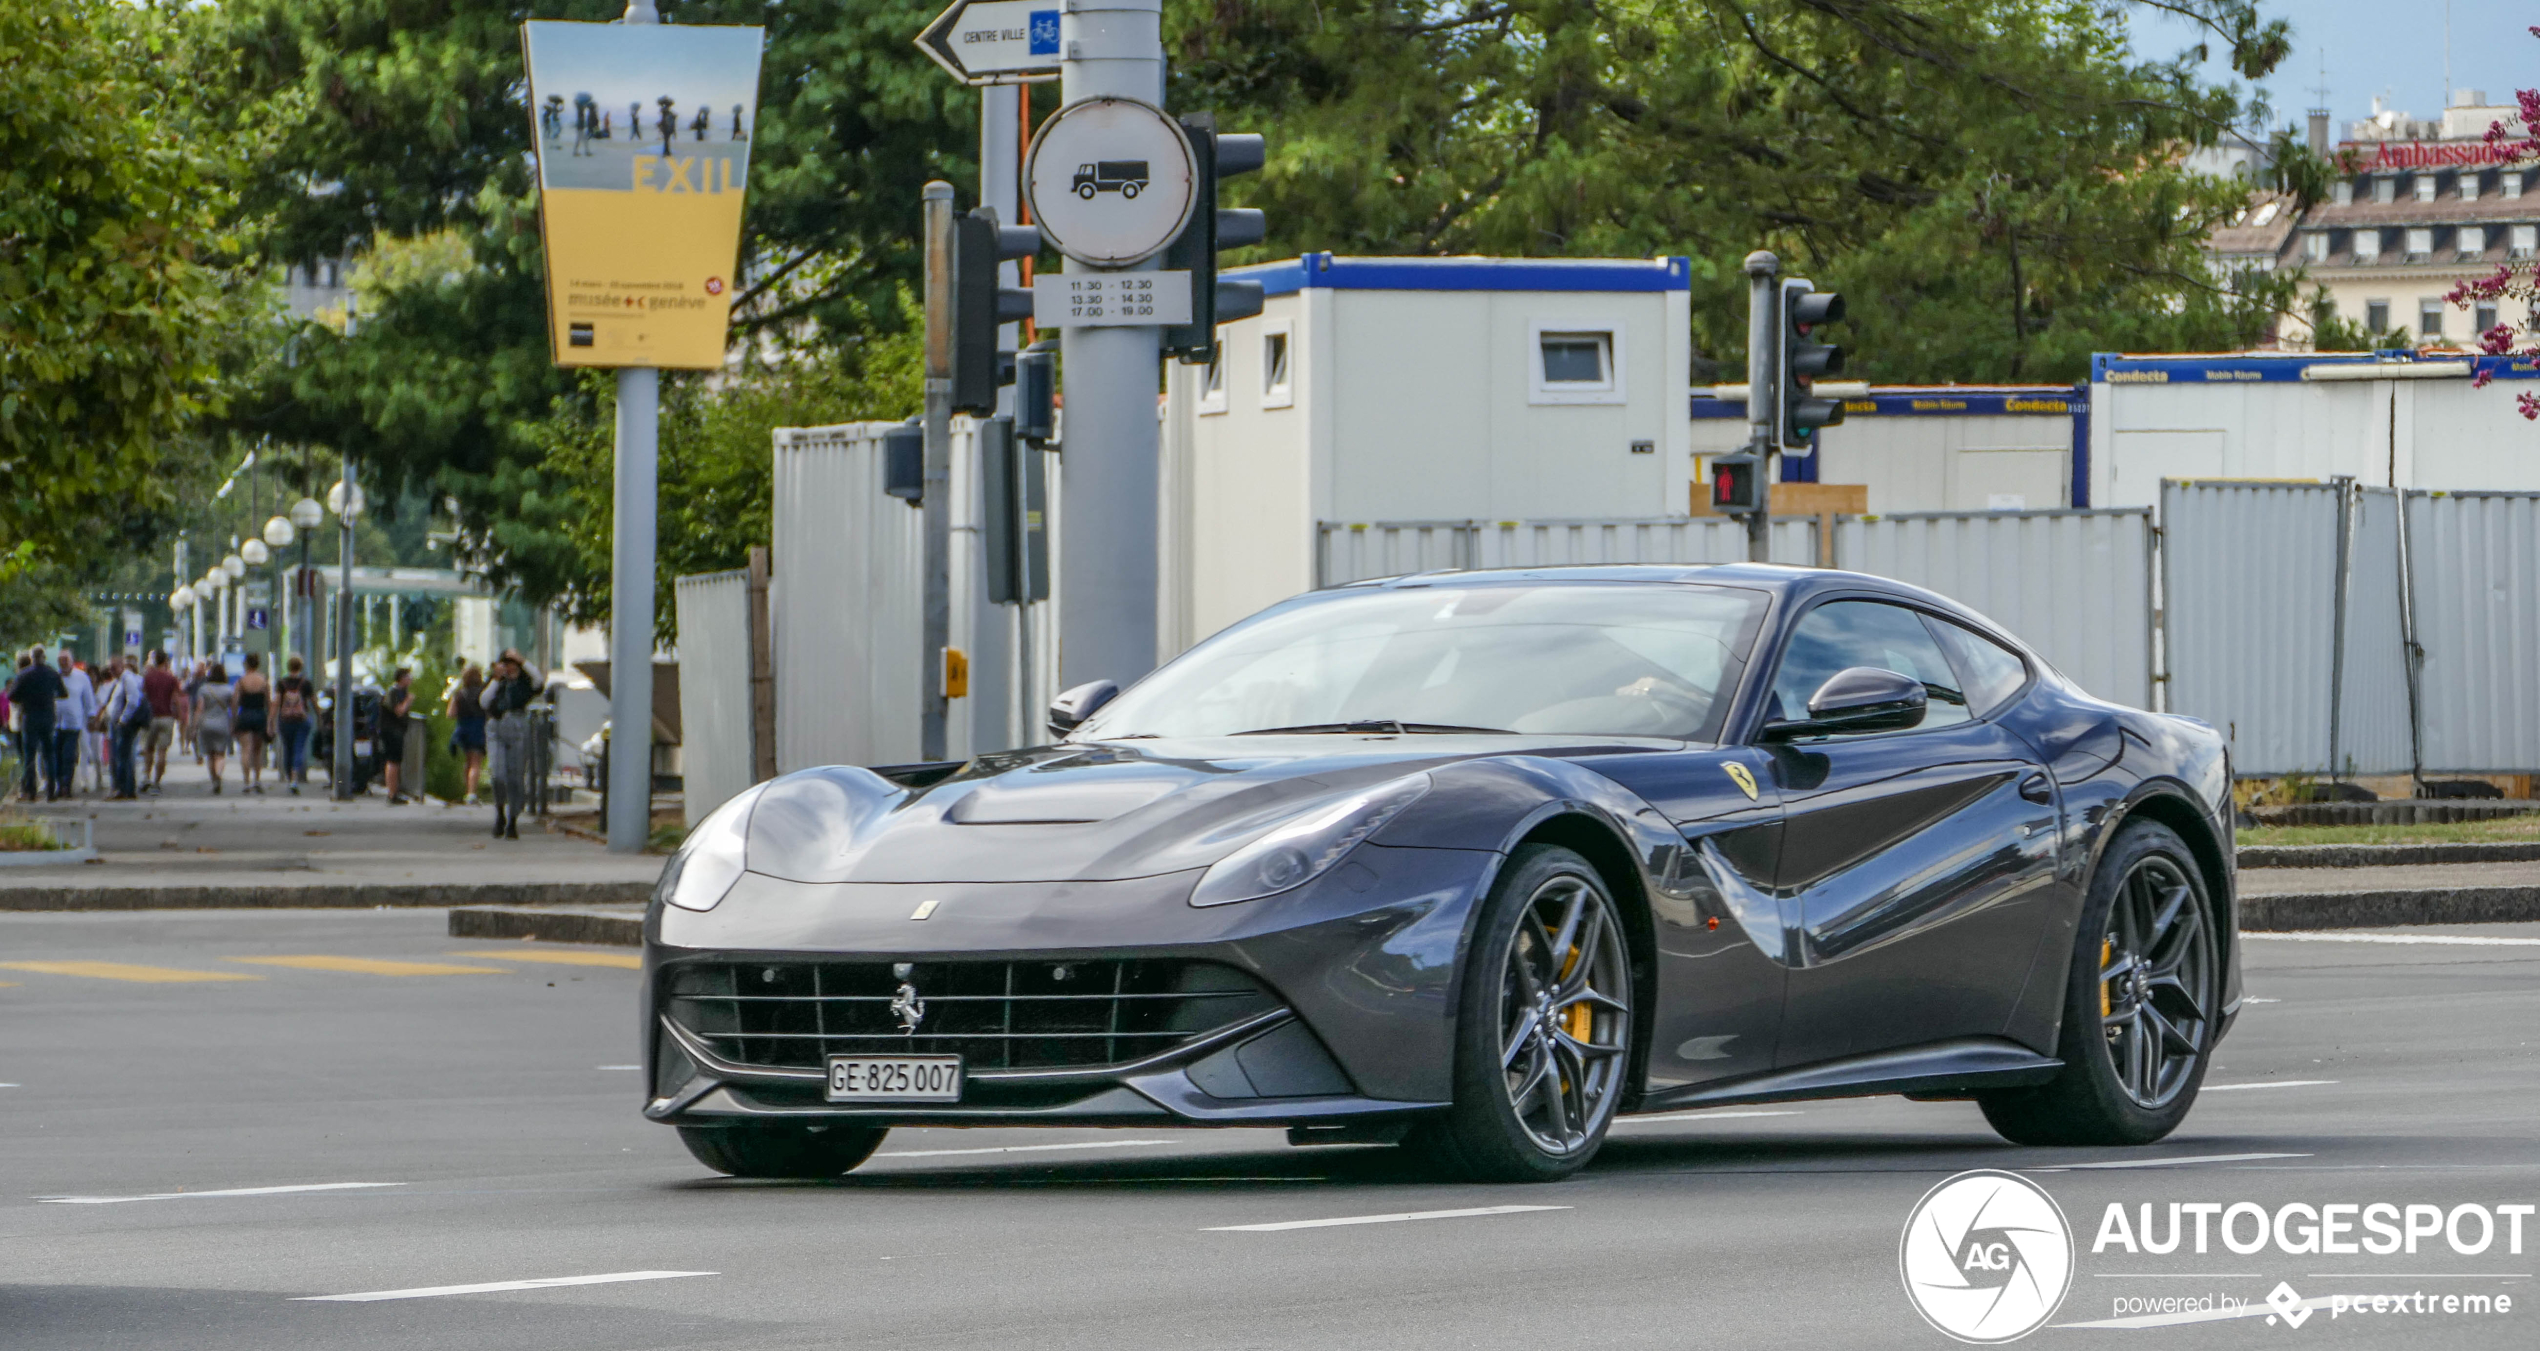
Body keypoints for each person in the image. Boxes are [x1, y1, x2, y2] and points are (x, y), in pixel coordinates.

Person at [481, 651, 542, 839]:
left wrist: (523, 659)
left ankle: (512, 819)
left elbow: (538, 680)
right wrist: (496, 679)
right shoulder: (498, 682)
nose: (510, 667)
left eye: (513, 663)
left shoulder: (525, 683)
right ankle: (499, 812)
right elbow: (484, 701)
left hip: (518, 725)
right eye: (506, 663)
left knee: (516, 776)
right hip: (496, 725)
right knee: (497, 773)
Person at [11, 646, 68, 801]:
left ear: (31, 658)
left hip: (30, 717)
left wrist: (26, 698)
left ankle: (31, 790)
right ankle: (51, 790)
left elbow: (12, 696)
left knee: (30, 755)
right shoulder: (52, 674)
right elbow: (63, 693)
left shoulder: (24, 675)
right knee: (49, 754)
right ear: (44, 657)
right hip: (48, 717)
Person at [103, 655, 148, 800]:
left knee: (122, 757)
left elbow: (133, 700)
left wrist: (123, 719)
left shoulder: (127, 679)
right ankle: (127, 789)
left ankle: (122, 789)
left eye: (114, 667)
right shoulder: (120, 680)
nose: (111, 671)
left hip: (125, 725)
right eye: (110, 668)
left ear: (122, 666)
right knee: (124, 756)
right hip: (119, 723)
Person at [56, 651, 96, 799]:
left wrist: (91, 717)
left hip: (73, 723)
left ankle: (66, 785)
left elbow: (88, 699)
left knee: (68, 755)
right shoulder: (55, 677)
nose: (64, 664)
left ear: (71, 661)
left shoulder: (81, 677)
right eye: (61, 661)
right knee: (56, 756)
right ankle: (58, 784)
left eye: (66, 660)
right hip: (56, 723)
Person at [140, 651, 181, 793]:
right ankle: (156, 783)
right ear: (166, 662)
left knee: (148, 749)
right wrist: (180, 717)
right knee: (162, 751)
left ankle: (146, 776)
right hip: (166, 717)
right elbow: (176, 699)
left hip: (150, 717)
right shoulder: (171, 678)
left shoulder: (147, 677)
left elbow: (143, 696)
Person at [446, 663, 487, 805]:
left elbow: (450, 713)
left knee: (468, 762)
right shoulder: (483, 692)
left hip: (463, 728)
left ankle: (467, 791)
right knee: (476, 763)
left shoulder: (460, 694)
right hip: (478, 728)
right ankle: (472, 793)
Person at [193, 662, 235, 794]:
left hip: (206, 724)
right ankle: (219, 775)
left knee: (210, 755)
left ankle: (214, 780)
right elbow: (233, 710)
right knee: (220, 754)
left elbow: (199, 709)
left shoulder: (204, 689)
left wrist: (194, 726)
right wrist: (233, 724)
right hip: (222, 724)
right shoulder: (229, 689)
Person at [274, 656, 314, 795]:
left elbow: (276, 703)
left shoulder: (282, 683)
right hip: (302, 720)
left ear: (288, 666)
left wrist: (271, 720)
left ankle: (289, 777)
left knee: (287, 749)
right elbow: (313, 702)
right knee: (299, 748)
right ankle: (295, 778)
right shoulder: (306, 683)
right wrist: (319, 717)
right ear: (300, 667)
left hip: (285, 721)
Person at [235, 654, 271, 794]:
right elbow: (268, 701)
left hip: (245, 714)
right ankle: (257, 780)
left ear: (246, 664)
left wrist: (234, 719)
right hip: (259, 715)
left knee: (245, 750)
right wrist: (269, 720)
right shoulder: (263, 681)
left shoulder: (241, 681)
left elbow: (235, 701)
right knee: (257, 751)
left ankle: (246, 781)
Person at [380, 667, 415, 805]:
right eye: (408, 676)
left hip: (398, 731)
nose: (411, 679)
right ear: (401, 678)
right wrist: (408, 701)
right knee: (393, 761)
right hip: (391, 730)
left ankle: (395, 791)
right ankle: (391, 793)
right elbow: (398, 711)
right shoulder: (393, 692)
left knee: (396, 761)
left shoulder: (401, 692)